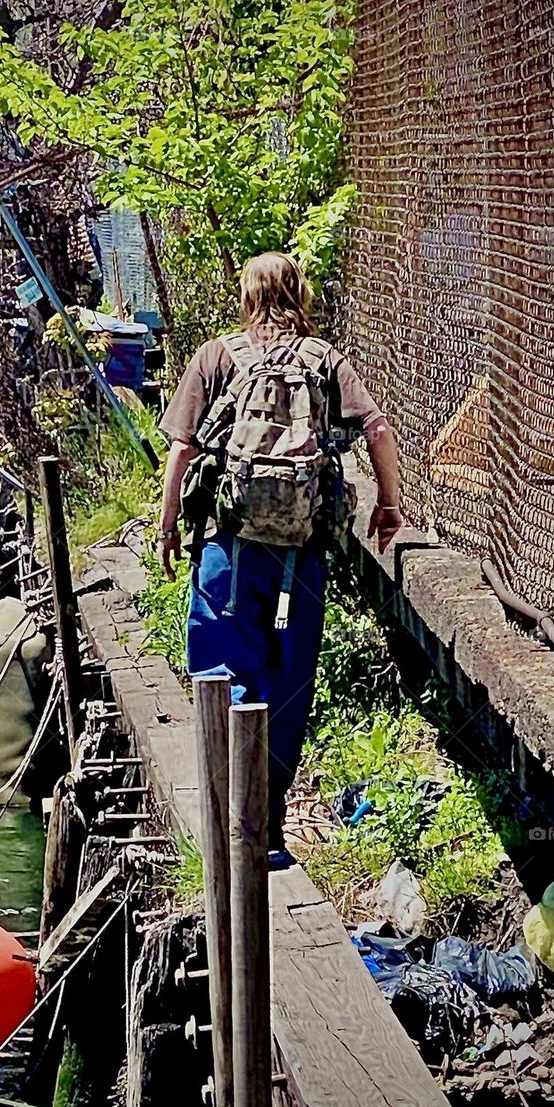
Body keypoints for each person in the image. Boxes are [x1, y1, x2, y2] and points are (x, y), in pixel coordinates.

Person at [157, 251, 403, 859]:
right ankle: (267, 829)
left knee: (223, 672)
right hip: (301, 557)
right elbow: (378, 430)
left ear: (246, 296)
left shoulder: (217, 356)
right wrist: (388, 503)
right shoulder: (325, 361)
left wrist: (167, 524)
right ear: (301, 295)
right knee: (288, 684)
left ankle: (228, 825)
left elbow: (181, 449)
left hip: (229, 551)